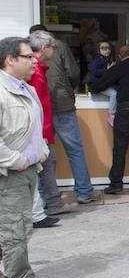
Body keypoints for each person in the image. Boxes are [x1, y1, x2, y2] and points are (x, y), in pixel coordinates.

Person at [0, 37, 55, 278]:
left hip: (29, 168)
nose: (34, 61)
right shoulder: (2, 90)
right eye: (27, 57)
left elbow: (34, 126)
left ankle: (6, 268)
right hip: (9, 172)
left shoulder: (26, 88)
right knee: (16, 227)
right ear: (10, 60)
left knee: (11, 225)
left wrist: (41, 151)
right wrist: (17, 160)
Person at [36, 25, 97, 205]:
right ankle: (84, 192)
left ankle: (44, 197)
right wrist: (69, 89)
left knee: (43, 153)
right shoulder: (59, 45)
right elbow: (73, 72)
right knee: (75, 151)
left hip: (41, 110)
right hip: (62, 103)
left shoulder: (27, 54)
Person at [91, 45, 129, 194]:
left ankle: (116, 184)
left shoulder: (120, 67)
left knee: (120, 148)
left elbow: (97, 86)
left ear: (119, 56)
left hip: (125, 110)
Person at [28, 31, 74, 224]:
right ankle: (46, 207)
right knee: (45, 165)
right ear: (44, 48)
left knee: (45, 165)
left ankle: (48, 204)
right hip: (41, 130)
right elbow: (36, 105)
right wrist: (43, 133)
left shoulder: (39, 70)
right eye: (53, 47)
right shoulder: (36, 73)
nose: (55, 50)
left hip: (43, 128)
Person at [89, 40, 117, 126]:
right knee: (114, 94)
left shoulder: (107, 60)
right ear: (98, 50)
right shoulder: (97, 60)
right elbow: (94, 71)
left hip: (104, 84)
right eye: (104, 48)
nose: (107, 50)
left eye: (108, 48)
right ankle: (111, 114)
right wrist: (107, 70)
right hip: (98, 85)